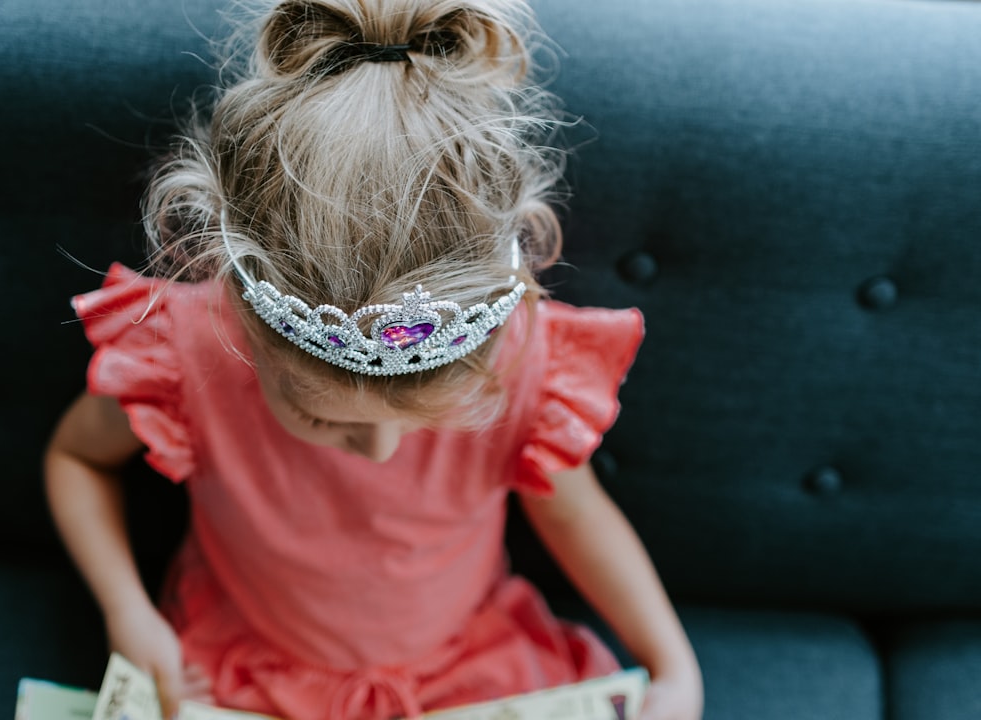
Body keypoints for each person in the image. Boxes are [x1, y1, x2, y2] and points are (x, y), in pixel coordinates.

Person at [43, 1, 703, 719]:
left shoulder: (517, 364)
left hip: (465, 671)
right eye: (320, 416)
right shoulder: (192, 351)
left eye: (425, 419)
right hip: (244, 672)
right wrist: (126, 610)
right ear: (249, 337)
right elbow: (77, 458)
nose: (381, 451)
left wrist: (672, 662)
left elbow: (578, 517)